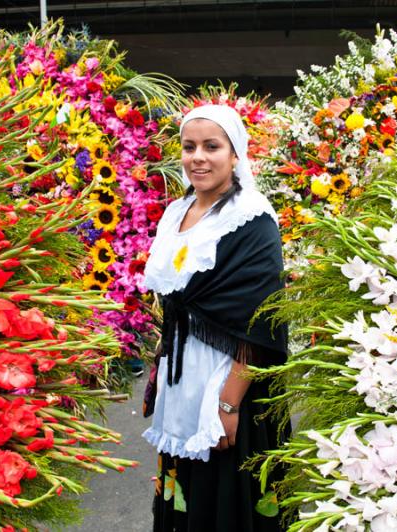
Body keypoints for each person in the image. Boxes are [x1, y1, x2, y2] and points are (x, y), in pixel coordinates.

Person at [142, 105, 289, 531]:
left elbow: (262, 320)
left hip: (226, 381)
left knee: (226, 493)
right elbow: (175, 303)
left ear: (234, 153)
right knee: (185, 493)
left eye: (212, 146)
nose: (198, 157)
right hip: (181, 379)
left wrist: (228, 403)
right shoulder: (177, 212)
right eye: (189, 147)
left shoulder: (251, 218)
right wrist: (159, 367)